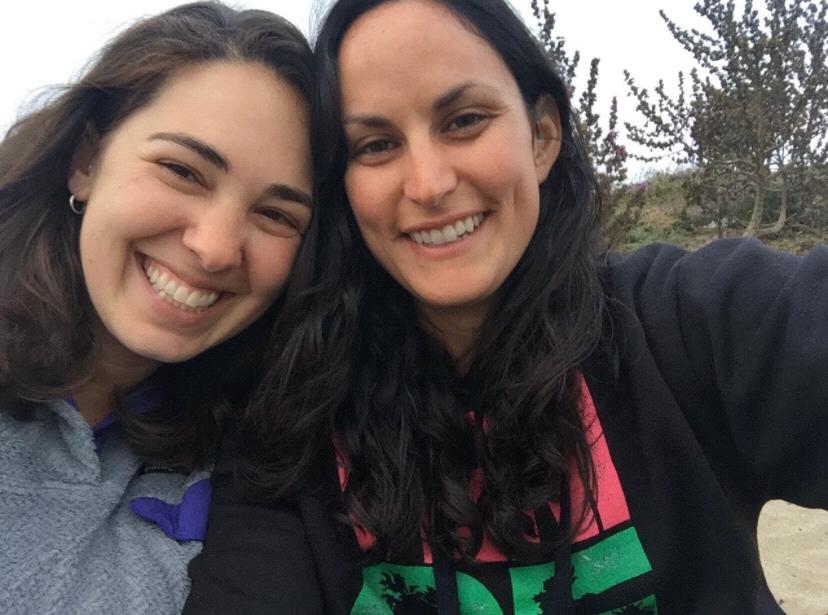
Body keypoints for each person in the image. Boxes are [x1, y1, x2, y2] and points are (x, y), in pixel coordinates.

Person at [184, 0, 828, 613]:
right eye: (376, 145)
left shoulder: (685, 325)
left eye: (464, 121)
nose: (429, 185)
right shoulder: (295, 410)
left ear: (542, 135)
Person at [0, 2, 314, 613]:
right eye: (182, 171)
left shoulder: (261, 452)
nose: (215, 247)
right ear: (86, 162)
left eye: (276, 214)